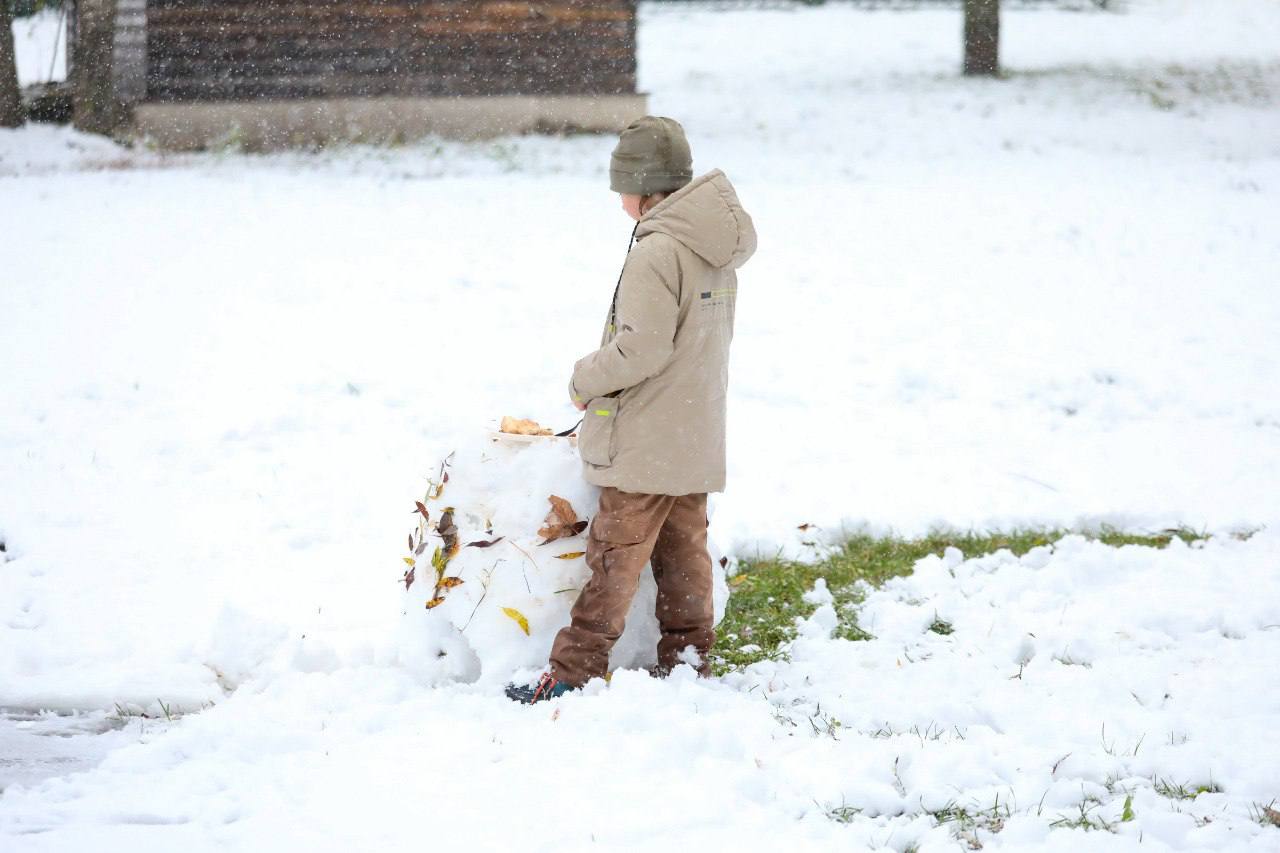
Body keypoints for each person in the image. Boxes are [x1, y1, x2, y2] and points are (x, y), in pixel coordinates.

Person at [506, 116, 757, 704]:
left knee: (613, 561)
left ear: (643, 188)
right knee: (684, 557)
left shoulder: (657, 251)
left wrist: (584, 380)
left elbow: (641, 348)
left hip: (645, 438)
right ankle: (689, 660)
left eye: (621, 188)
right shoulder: (712, 248)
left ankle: (573, 672)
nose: (619, 200)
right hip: (695, 427)